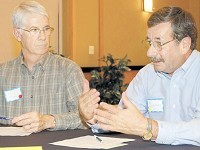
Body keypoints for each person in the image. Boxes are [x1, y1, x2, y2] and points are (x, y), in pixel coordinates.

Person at [78, 6, 200, 146]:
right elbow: (122, 118)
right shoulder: (147, 75)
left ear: (184, 45)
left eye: (159, 44)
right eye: (150, 43)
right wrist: (93, 117)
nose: (150, 52)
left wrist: (150, 128)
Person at [0, 1, 85, 133]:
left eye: (46, 29)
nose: (43, 37)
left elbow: (85, 118)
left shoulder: (68, 70)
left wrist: (49, 121)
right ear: (17, 34)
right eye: (35, 30)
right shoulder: (3, 73)